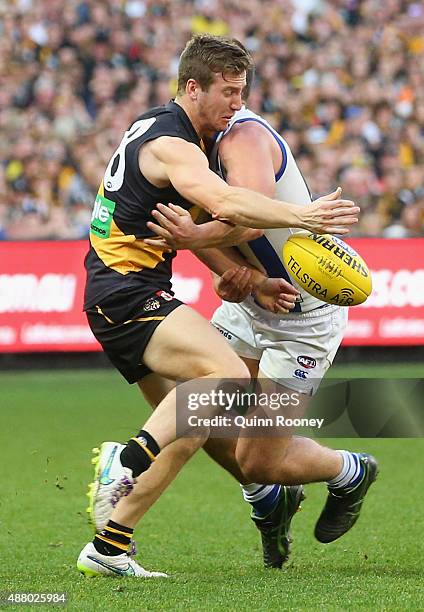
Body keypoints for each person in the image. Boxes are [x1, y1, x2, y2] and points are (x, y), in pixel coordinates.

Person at [76, 33, 359, 578]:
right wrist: (303, 217)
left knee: (192, 423)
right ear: (192, 87)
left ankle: (110, 546)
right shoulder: (173, 144)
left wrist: (248, 281)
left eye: (243, 91)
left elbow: (184, 233)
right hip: (126, 292)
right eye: (228, 92)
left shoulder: (180, 134)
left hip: (122, 293)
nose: (238, 103)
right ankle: (125, 461)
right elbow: (228, 205)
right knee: (226, 378)